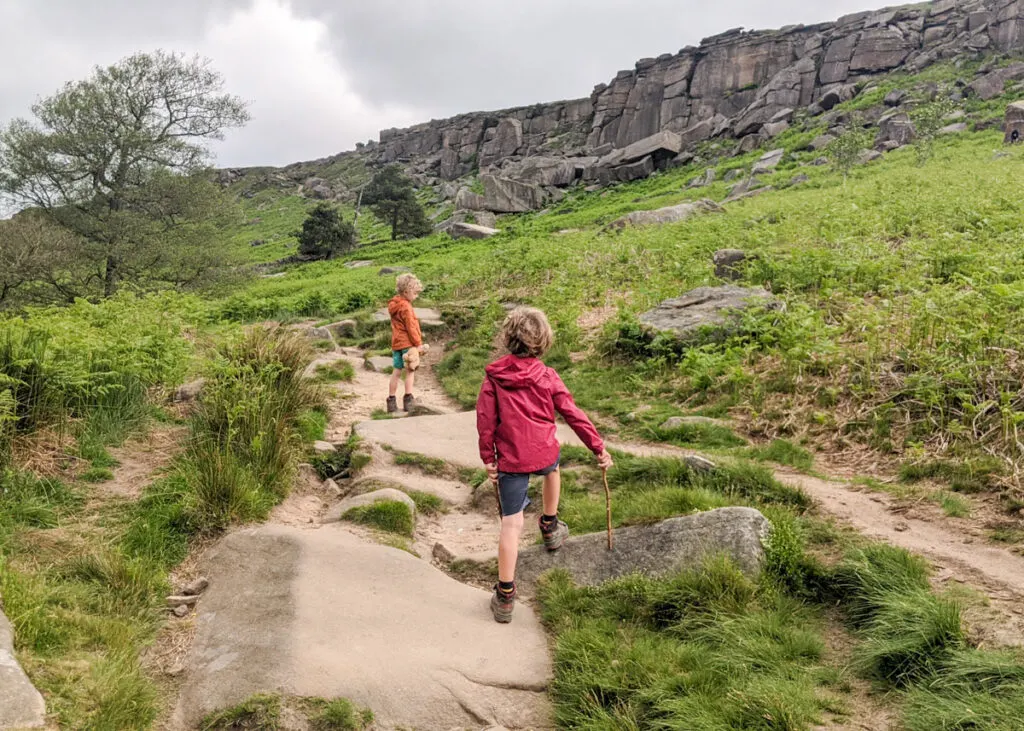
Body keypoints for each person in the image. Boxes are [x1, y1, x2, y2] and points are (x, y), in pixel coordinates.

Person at [476, 307, 613, 623]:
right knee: (553, 468)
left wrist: (488, 458)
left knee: (511, 524)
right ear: (544, 341)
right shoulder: (548, 376)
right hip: (543, 451)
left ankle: (506, 595)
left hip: (511, 458)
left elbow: (485, 420)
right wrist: (598, 447)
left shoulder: (494, 377)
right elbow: (573, 414)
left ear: (507, 338)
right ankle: (550, 526)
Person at [387, 274, 427, 413]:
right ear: (406, 292)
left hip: (396, 344)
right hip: (408, 345)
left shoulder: (394, 304)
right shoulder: (406, 307)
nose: (416, 296)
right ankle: (408, 400)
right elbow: (411, 326)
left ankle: (391, 402)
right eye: (415, 293)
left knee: (396, 371)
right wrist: (418, 343)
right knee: (410, 371)